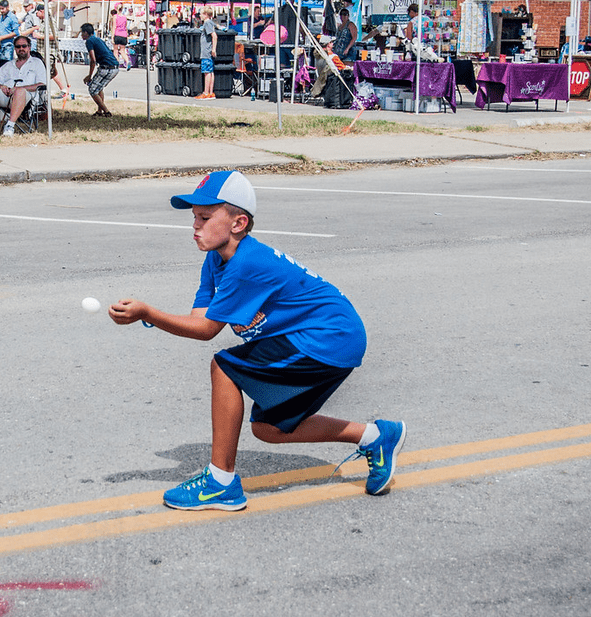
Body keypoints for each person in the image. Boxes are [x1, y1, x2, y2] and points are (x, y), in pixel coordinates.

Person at [109, 170, 407, 511]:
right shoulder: (216, 259)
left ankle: (221, 482)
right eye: (194, 218)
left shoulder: (246, 263)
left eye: (205, 217)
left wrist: (148, 313)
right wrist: (150, 315)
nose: (195, 226)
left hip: (328, 338)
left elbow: (207, 330)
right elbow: (198, 320)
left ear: (238, 224)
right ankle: (376, 436)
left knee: (224, 367)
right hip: (323, 339)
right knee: (268, 428)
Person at [0, 35, 47, 137]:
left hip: (28, 99)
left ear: (29, 47)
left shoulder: (37, 63)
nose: (21, 49)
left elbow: (42, 84)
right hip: (7, 96)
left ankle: (10, 126)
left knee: (20, 91)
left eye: (24, 46)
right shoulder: (8, 65)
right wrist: (1, 86)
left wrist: (19, 89)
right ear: (15, 48)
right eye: (18, 46)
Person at [25, 4, 68, 98]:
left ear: (42, 11)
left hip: (48, 52)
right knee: (52, 72)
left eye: (37, 12)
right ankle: (63, 90)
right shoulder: (42, 22)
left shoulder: (50, 21)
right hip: (42, 52)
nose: (36, 14)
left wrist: (41, 36)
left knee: (45, 73)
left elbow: (55, 35)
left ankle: (43, 94)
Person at [78, 22, 118, 118]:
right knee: (99, 88)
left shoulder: (89, 41)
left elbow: (93, 60)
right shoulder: (97, 39)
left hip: (106, 68)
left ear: (86, 33)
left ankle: (106, 111)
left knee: (92, 89)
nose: (81, 35)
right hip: (114, 67)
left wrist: (89, 76)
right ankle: (99, 111)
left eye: (82, 33)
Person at [197, 5, 217, 100]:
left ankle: (206, 92)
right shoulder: (210, 23)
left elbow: (214, 36)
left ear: (205, 15)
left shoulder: (207, 23)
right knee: (210, 71)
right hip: (208, 51)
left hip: (206, 51)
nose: (200, 15)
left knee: (207, 72)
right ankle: (210, 92)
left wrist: (213, 49)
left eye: (201, 14)